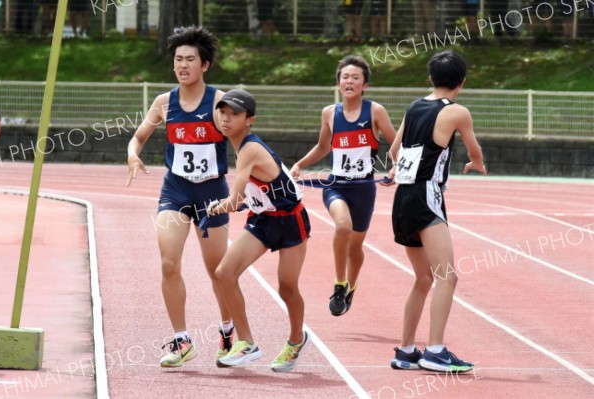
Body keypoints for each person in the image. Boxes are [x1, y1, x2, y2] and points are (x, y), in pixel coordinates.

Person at [126, 25, 234, 368]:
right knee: (169, 262)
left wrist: (250, 185)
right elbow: (139, 136)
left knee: (218, 270)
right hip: (175, 190)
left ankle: (228, 330)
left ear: (205, 65)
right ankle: (182, 340)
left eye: (190, 59)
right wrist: (133, 154)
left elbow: (243, 146)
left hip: (212, 194)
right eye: (177, 60)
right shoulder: (164, 103)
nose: (182, 65)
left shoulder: (220, 103)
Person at [385, 50, 487, 372]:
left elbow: (393, 150)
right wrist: (477, 163)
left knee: (423, 277)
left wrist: (396, 173)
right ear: (462, 82)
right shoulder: (457, 112)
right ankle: (436, 351)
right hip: (426, 196)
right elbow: (474, 150)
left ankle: (406, 350)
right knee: (448, 276)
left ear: (431, 78)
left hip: (402, 198)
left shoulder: (414, 106)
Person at [208, 89, 311, 372]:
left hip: (291, 220)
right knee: (224, 272)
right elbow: (247, 197)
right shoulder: (240, 146)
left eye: (234, 114)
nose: (226, 119)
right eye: (223, 112)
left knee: (287, 288)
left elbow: (234, 201)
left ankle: (296, 340)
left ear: (249, 120)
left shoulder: (250, 149)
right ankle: (247, 343)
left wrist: (213, 207)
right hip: (264, 218)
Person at [290, 55, 396, 317]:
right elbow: (323, 146)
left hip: (364, 188)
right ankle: (339, 284)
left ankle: (352, 283)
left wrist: (395, 166)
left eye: (355, 78)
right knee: (342, 226)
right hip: (336, 185)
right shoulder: (329, 113)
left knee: (356, 247)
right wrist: (300, 164)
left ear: (365, 85)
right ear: (338, 83)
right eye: (345, 77)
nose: (349, 81)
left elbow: (397, 145)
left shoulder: (375, 111)